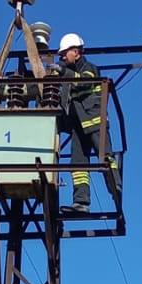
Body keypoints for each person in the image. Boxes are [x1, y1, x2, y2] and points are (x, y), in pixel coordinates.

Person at [55, 33, 107, 212]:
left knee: (107, 159)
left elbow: (84, 82)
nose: (61, 57)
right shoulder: (69, 72)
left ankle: (115, 186)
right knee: (78, 163)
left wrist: (63, 72)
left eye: (64, 53)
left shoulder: (88, 68)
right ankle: (81, 203)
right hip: (79, 125)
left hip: (94, 124)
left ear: (75, 52)